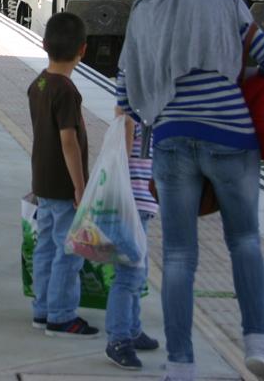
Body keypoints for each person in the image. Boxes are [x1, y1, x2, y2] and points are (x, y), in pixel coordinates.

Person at [115, 0, 264, 381]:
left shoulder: (145, 6)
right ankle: (259, 347)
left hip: (171, 137)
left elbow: (127, 87)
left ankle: (181, 366)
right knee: (245, 241)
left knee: (177, 256)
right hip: (231, 134)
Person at [28, 12, 98, 338]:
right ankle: (61, 315)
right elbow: (68, 141)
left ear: (44, 45)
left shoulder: (39, 83)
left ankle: (42, 310)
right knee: (68, 251)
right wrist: (80, 187)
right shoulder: (66, 90)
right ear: (82, 50)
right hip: (63, 185)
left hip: (42, 180)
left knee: (45, 247)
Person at [102, 120, 161, 369]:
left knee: (139, 273)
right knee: (128, 275)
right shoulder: (132, 116)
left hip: (143, 206)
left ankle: (133, 329)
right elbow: (121, 161)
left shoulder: (154, 114)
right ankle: (118, 340)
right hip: (129, 207)